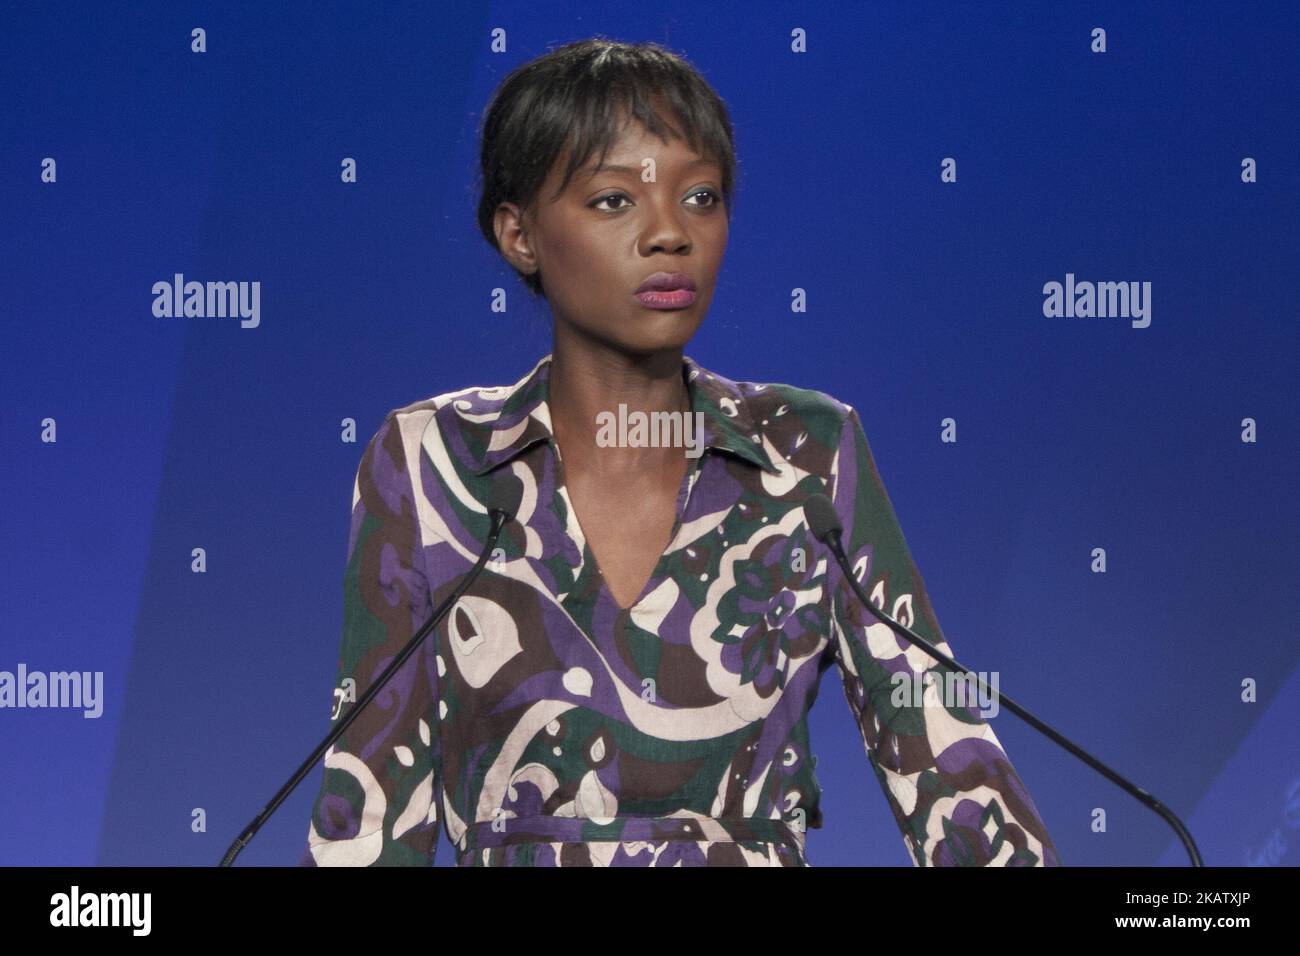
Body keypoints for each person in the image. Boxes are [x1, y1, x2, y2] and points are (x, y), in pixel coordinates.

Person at [298, 37, 1061, 867]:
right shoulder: (431, 463)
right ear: (518, 235)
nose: (670, 234)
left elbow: (947, 757)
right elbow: (368, 809)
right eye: (615, 201)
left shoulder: (806, 453)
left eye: (701, 196)